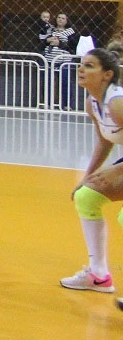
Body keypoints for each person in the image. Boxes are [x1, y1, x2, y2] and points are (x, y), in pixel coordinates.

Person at [60, 42, 123, 296]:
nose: (81, 70)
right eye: (81, 65)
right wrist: (86, 178)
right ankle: (99, 275)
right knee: (87, 196)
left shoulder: (117, 103)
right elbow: (105, 141)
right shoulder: (93, 103)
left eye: (89, 66)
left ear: (107, 74)